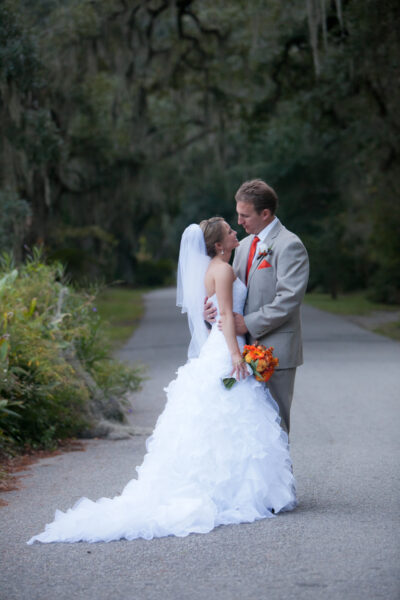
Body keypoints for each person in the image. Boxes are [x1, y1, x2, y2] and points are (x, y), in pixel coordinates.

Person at [27, 218, 296, 545]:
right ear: (218, 245)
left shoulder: (218, 266)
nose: (235, 231)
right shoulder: (223, 270)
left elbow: (211, 312)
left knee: (223, 420)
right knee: (233, 417)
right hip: (229, 350)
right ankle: (234, 490)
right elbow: (225, 315)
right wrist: (236, 356)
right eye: (229, 230)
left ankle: (229, 486)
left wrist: (221, 328)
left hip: (224, 346)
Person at [205, 180, 309, 434]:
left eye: (244, 215)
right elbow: (229, 290)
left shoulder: (289, 245)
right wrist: (211, 310)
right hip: (241, 348)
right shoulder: (243, 246)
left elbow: (288, 300)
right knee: (247, 426)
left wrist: (247, 323)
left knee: (275, 423)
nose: (239, 222)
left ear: (265, 213)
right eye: (238, 215)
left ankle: (282, 475)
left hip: (275, 350)